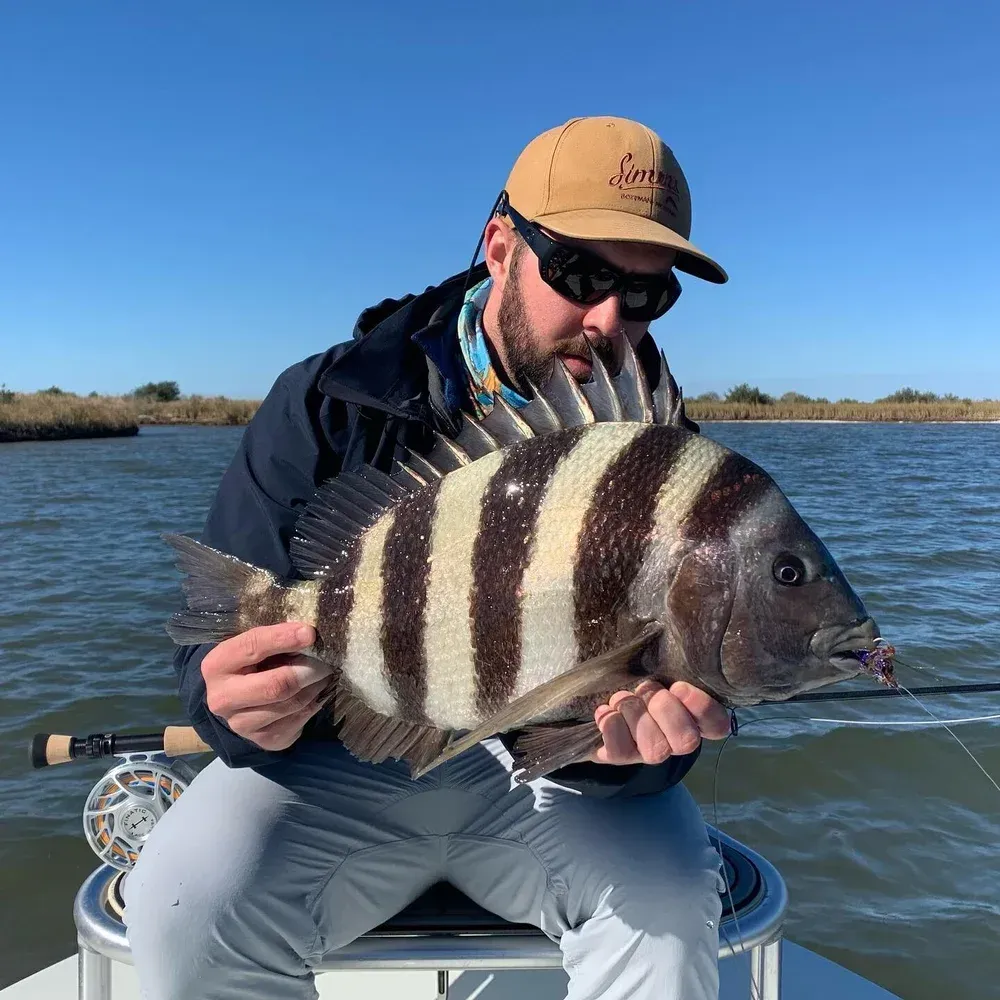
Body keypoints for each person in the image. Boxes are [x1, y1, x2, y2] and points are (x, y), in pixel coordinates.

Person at [124, 115, 733, 1000]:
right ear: (500, 247)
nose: (610, 319)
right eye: (581, 273)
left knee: (674, 908)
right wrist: (227, 703)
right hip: (342, 756)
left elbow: (677, 691)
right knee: (183, 908)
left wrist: (639, 751)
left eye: (646, 294)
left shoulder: (659, 447)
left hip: (553, 773)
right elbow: (214, 645)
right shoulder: (325, 402)